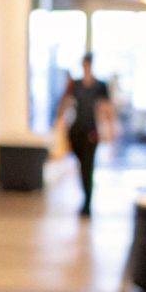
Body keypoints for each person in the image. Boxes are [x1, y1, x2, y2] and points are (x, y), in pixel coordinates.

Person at [53, 52, 114, 214]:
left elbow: (107, 109)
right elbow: (64, 103)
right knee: (81, 166)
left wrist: (110, 130)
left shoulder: (100, 86)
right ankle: (85, 196)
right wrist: (58, 121)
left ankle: (87, 203)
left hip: (91, 131)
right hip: (76, 130)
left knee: (88, 166)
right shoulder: (75, 84)